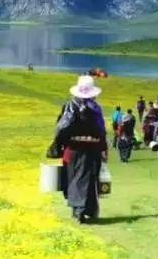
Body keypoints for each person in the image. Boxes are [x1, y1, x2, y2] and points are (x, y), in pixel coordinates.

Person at [50, 75, 108, 224]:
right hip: (93, 148)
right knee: (89, 179)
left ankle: (78, 210)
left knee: (73, 178)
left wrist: (58, 145)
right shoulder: (96, 109)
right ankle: (87, 209)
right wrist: (103, 148)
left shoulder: (70, 106)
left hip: (73, 149)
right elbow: (101, 131)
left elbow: (61, 128)